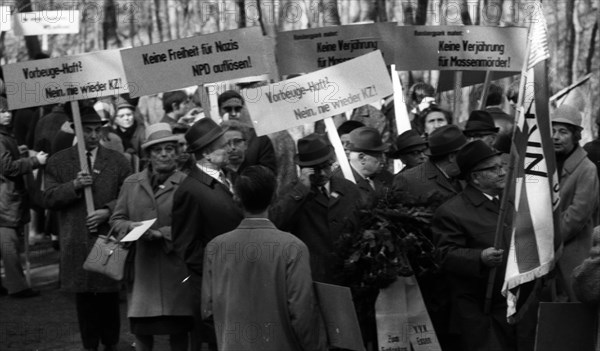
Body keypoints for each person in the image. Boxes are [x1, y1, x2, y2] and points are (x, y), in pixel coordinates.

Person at [201, 165, 327, 351]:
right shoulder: (292, 247)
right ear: (274, 196)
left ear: (236, 198)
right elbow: (302, 313)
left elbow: (208, 310)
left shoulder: (215, 247)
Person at [432, 140, 535, 351]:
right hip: (478, 310)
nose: (502, 172)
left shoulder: (509, 202)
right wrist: (479, 257)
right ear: (475, 177)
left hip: (512, 305)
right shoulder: (452, 211)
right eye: (493, 168)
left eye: (502, 166)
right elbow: (444, 254)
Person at [44, 105, 132, 351]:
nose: (93, 135)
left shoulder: (117, 161)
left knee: (108, 297)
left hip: (107, 238)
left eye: (97, 130)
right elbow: (48, 198)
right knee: (84, 300)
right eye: (87, 130)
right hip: (75, 241)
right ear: (75, 130)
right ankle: (89, 345)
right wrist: (73, 185)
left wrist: (107, 209)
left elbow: (130, 195)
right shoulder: (58, 161)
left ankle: (111, 343)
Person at [110, 123, 192, 351]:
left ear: (177, 153)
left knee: (178, 332)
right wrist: (131, 227)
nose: (164, 154)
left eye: (169, 149)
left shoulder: (186, 184)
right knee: (143, 333)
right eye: (158, 150)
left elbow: (192, 227)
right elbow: (116, 220)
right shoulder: (131, 183)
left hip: (175, 272)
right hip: (142, 271)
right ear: (148, 155)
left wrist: (162, 233)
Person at [172, 118, 243, 350]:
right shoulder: (190, 190)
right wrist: (220, 273)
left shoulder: (225, 178)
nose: (230, 149)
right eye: (224, 144)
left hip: (235, 283)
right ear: (207, 153)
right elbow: (187, 247)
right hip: (217, 289)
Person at [270, 133, 361, 284]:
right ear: (304, 169)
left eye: (327, 166)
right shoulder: (292, 193)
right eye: (316, 169)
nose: (324, 173)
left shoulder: (348, 189)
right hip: (314, 277)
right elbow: (275, 223)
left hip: (349, 275)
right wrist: (301, 191)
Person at [0, 96, 48, 297]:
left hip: (7, 198)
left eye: (8, 110)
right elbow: (7, 168)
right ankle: (18, 287)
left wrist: (18, 153)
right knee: (9, 245)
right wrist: (34, 161)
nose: (7, 114)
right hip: (5, 201)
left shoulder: (5, 135)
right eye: (2, 111)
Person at [551, 104, 600, 300]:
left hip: (573, 251)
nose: (555, 136)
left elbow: (577, 215)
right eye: (553, 131)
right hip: (543, 253)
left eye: (563, 132)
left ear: (575, 136)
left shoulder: (586, 169)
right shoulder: (545, 163)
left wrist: (548, 240)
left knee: (574, 312)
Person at [393, 125, 467, 203]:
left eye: (424, 150)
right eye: (415, 153)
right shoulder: (407, 180)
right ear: (452, 157)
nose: (422, 156)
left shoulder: (466, 174)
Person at [217, 90, 276, 173]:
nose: (233, 113)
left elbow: (268, 174)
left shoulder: (260, 139)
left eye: (237, 109)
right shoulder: (212, 138)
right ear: (219, 111)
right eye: (228, 109)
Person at [336, 126, 390, 208]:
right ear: (362, 158)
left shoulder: (384, 176)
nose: (383, 160)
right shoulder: (339, 183)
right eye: (378, 156)